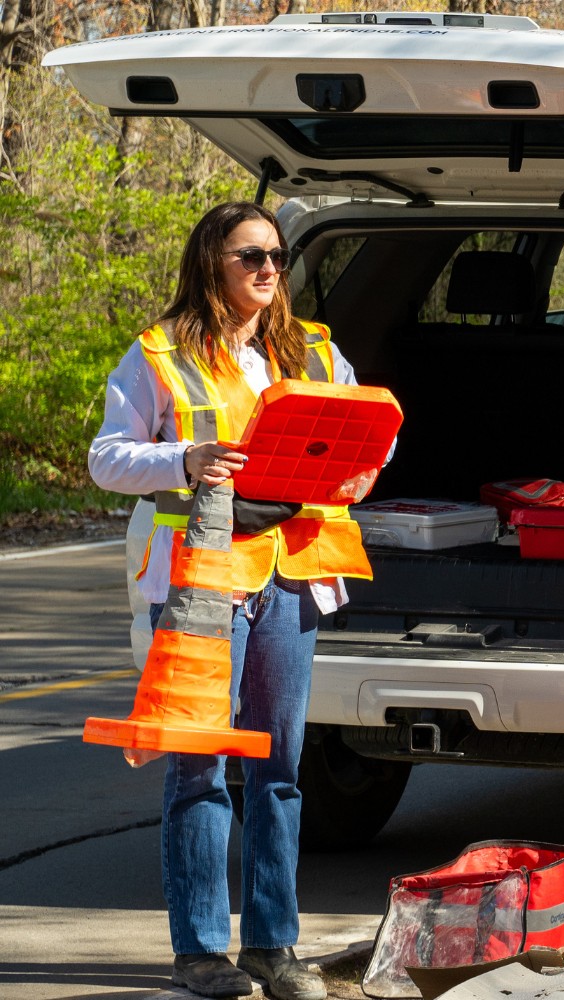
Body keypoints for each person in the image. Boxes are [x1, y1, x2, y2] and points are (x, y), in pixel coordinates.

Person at [86, 202, 372, 1000]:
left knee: (281, 768)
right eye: (252, 256)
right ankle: (202, 951)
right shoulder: (159, 353)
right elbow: (108, 459)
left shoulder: (312, 348)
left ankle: (274, 946)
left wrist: (361, 464)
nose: (270, 269)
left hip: (290, 570)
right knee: (199, 767)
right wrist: (188, 457)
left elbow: (357, 433)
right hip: (198, 581)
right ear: (213, 260)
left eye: (278, 256)